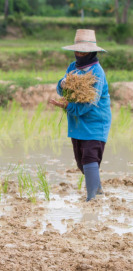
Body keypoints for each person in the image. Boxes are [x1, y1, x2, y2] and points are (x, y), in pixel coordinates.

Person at [50, 29, 111, 201]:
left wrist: (69, 106)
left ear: (92, 52)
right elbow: (61, 88)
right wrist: (62, 84)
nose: (79, 54)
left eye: (83, 51)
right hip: (77, 121)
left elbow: (91, 102)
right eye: (77, 51)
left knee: (90, 157)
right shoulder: (72, 67)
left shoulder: (97, 72)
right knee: (81, 162)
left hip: (95, 121)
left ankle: (91, 199)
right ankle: (99, 193)